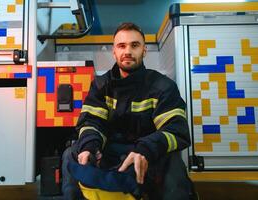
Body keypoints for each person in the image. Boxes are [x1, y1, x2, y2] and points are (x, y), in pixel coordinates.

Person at [62, 22, 193, 200]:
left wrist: (145, 150)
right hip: (108, 151)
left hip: (148, 153)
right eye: (121, 46)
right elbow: (91, 122)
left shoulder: (162, 86)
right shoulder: (101, 85)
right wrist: (90, 148)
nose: (128, 51)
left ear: (144, 51)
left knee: (173, 160)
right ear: (114, 52)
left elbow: (176, 130)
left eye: (135, 45)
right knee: (72, 153)